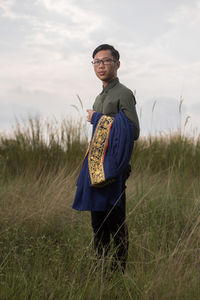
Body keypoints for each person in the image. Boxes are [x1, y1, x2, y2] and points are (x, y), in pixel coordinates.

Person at [73, 44, 140, 272]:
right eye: (96, 62)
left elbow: (132, 130)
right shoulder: (99, 96)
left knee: (115, 221)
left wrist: (99, 118)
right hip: (96, 167)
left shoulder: (123, 93)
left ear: (117, 64)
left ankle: (118, 273)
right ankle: (101, 270)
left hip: (114, 169)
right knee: (98, 222)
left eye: (105, 61)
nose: (100, 66)